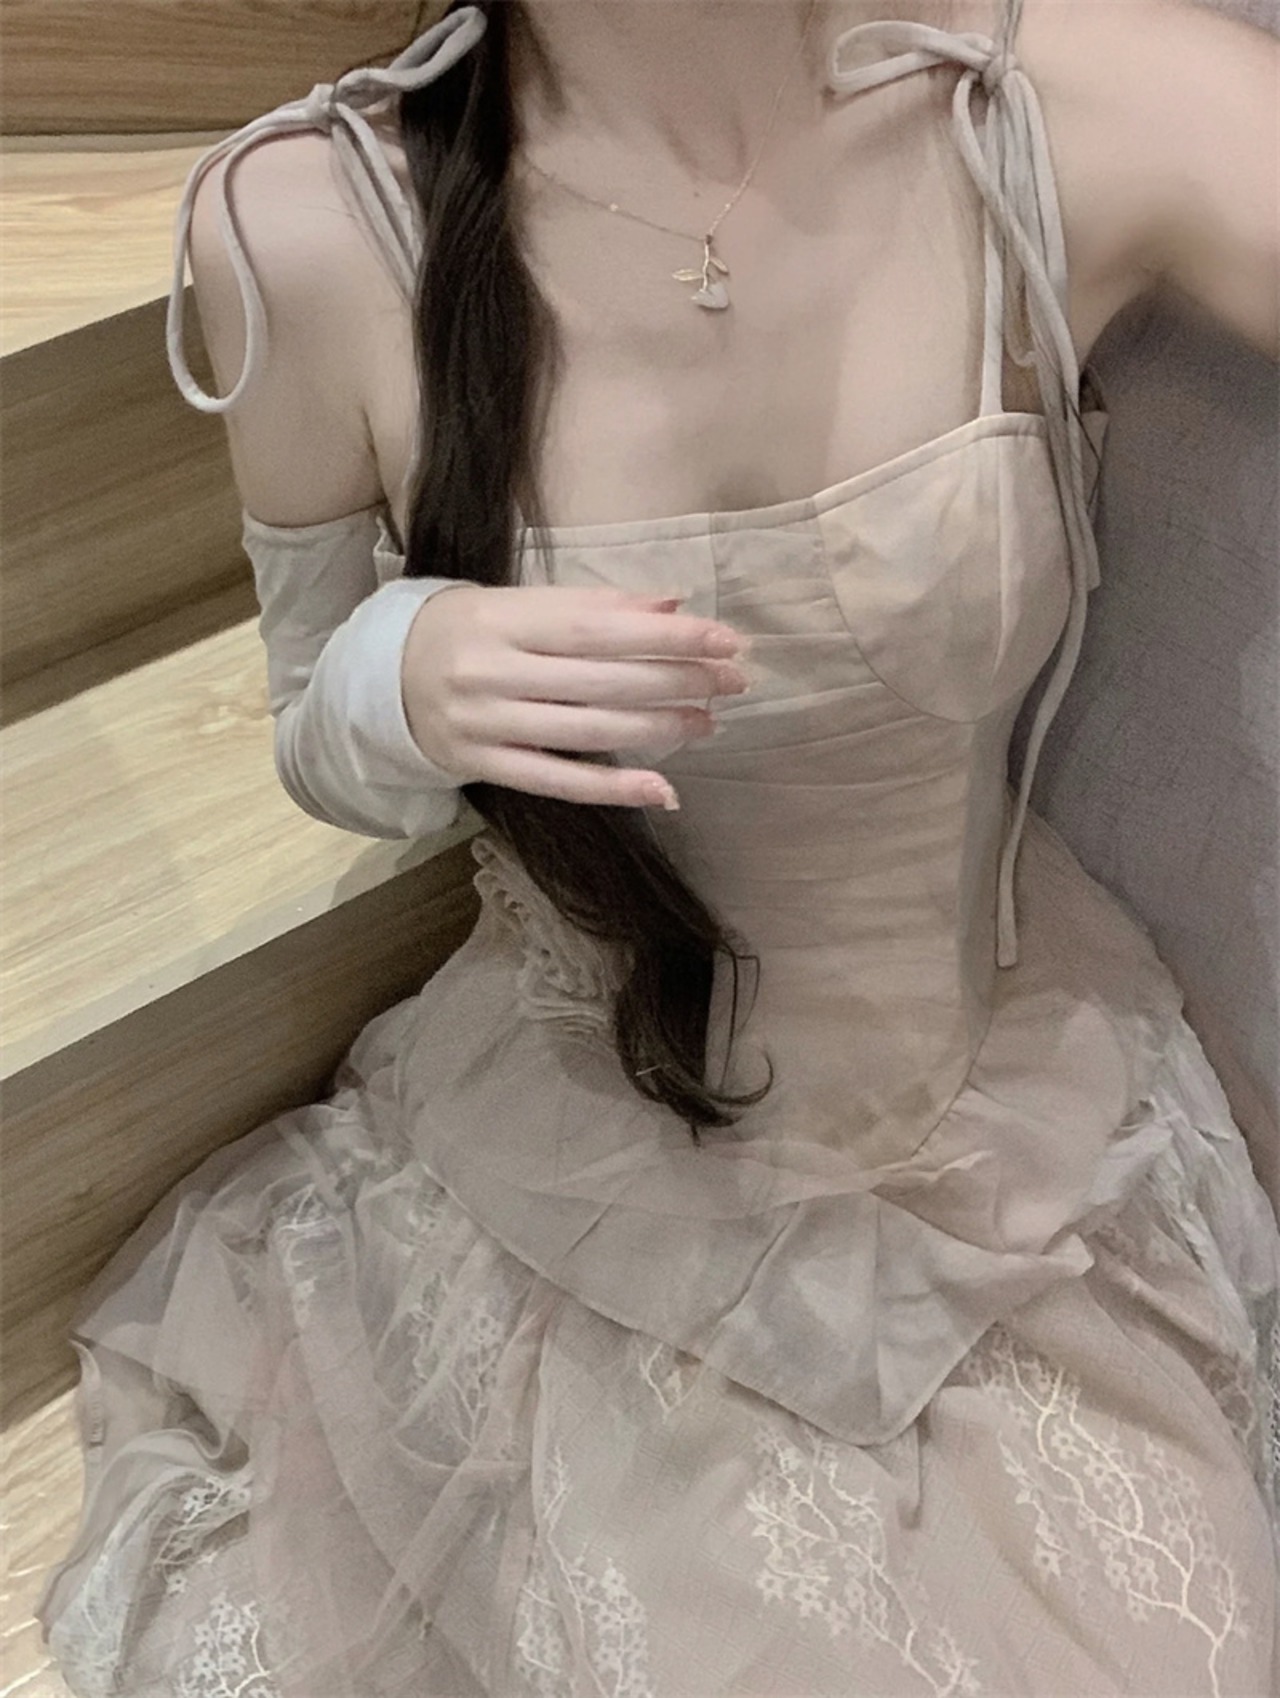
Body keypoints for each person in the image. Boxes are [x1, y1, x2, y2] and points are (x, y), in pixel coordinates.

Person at [35, 0, 1280, 1691]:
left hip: (1009, 1131)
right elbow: (318, 728)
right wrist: (403, 674)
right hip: (602, 1154)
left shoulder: (1044, 101)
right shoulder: (311, 227)